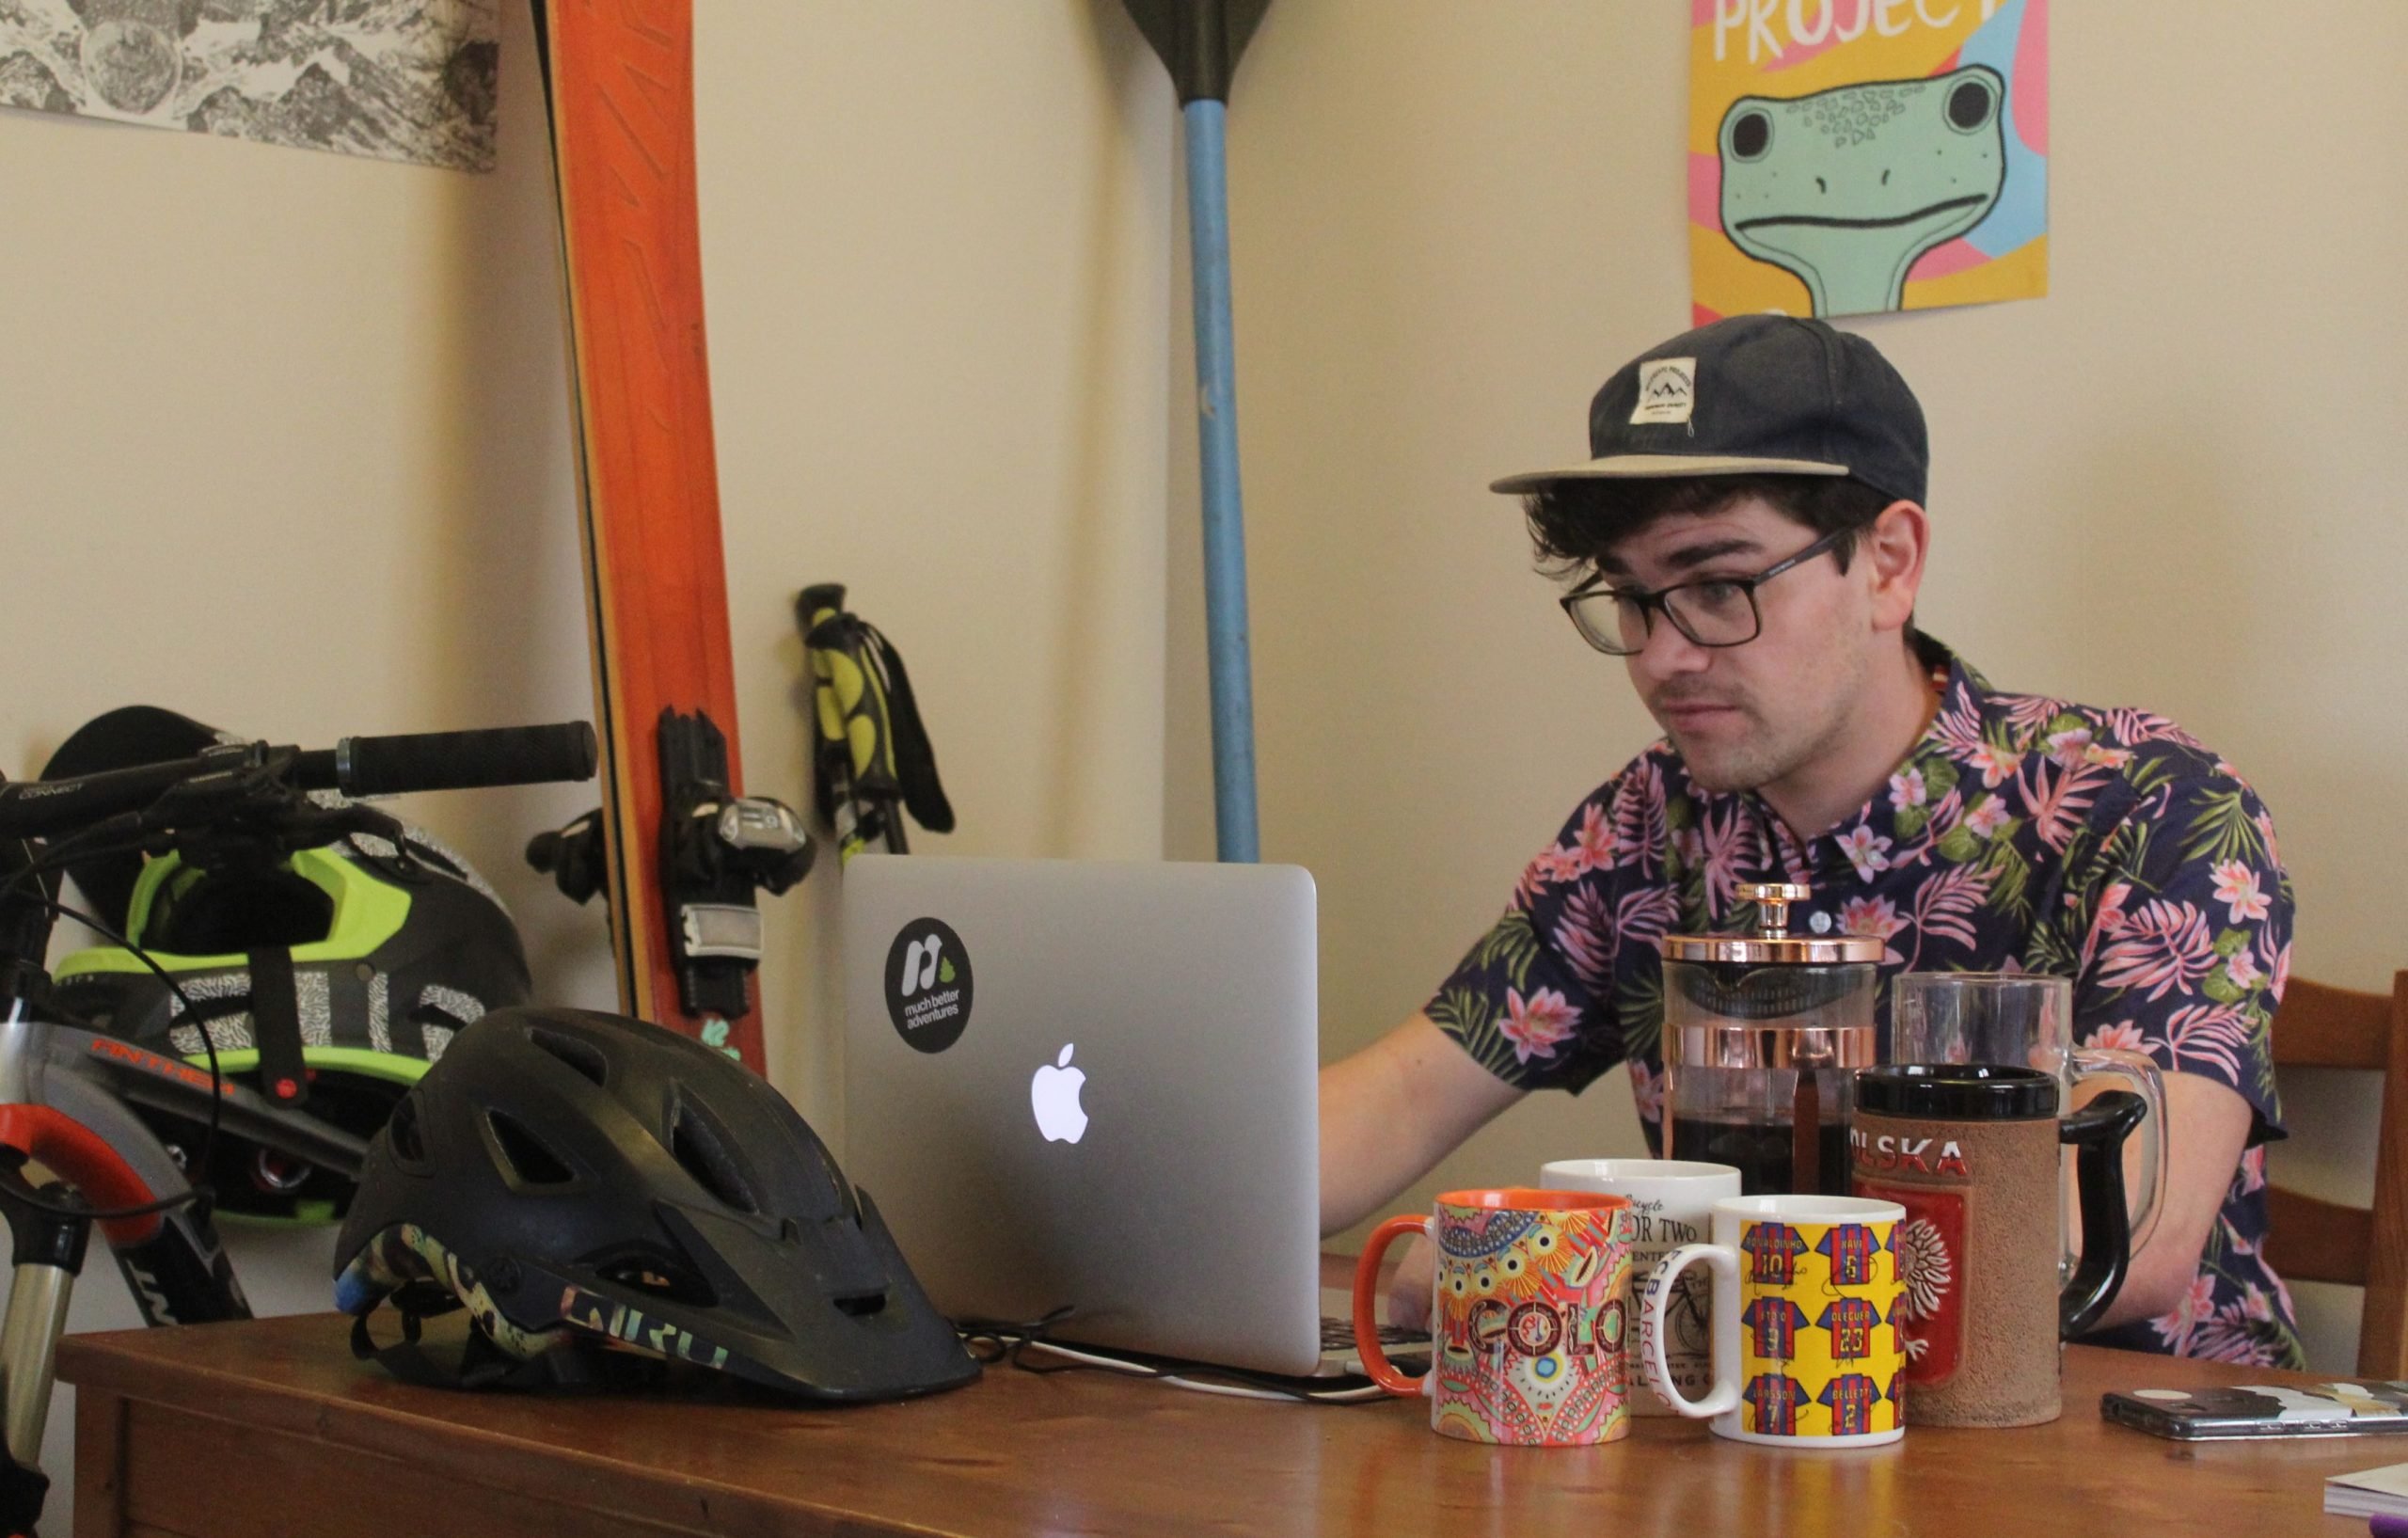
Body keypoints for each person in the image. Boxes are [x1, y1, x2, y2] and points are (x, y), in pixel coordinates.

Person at [1319, 315, 2300, 1368]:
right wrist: (1155, 1189)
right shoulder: (1646, 828)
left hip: (2119, 1448)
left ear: (1887, 562)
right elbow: (1414, 1087)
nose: (1660, 659)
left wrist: (1547, 1258)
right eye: (1630, 598)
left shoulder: (2144, 805)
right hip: (1748, 1434)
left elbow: (2115, 1242)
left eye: (1716, 587)